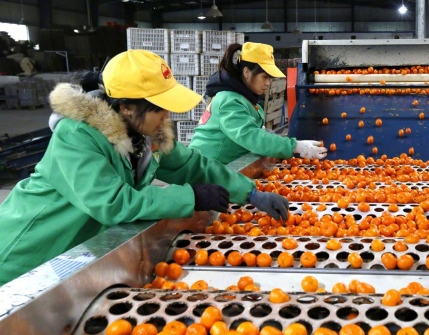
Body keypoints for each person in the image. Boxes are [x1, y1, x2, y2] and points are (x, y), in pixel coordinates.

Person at [0, 50, 289, 285]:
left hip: (71, 252)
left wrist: (250, 193)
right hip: (27, 251)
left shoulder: (147, 134)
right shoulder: (78, 137)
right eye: (159, 107)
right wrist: (191, 197)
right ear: (126, 106)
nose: (166, 116)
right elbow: (112, 202)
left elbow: (192, 164)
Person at [189, 42, 326, 163]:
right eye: (264, 77)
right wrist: (295, 146)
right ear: (247, 72)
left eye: (270, 78)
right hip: (205, 169)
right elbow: (249, 136)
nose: (268, 83)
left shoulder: (245, 98)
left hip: (219, 166)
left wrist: (268, 135)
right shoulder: (228, 100)